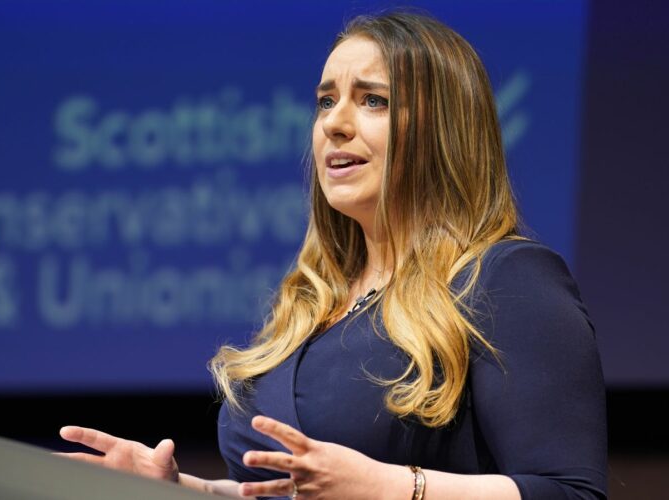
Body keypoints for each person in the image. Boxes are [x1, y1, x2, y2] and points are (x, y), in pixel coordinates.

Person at [58, 12, 607, 500]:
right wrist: (183, 488)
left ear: (443, 130)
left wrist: (394, 488)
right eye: (326, 101)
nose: (334, 123)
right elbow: (285, 490)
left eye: (373, 100)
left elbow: (571, 492)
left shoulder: (505, 280)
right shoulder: (311, 303)